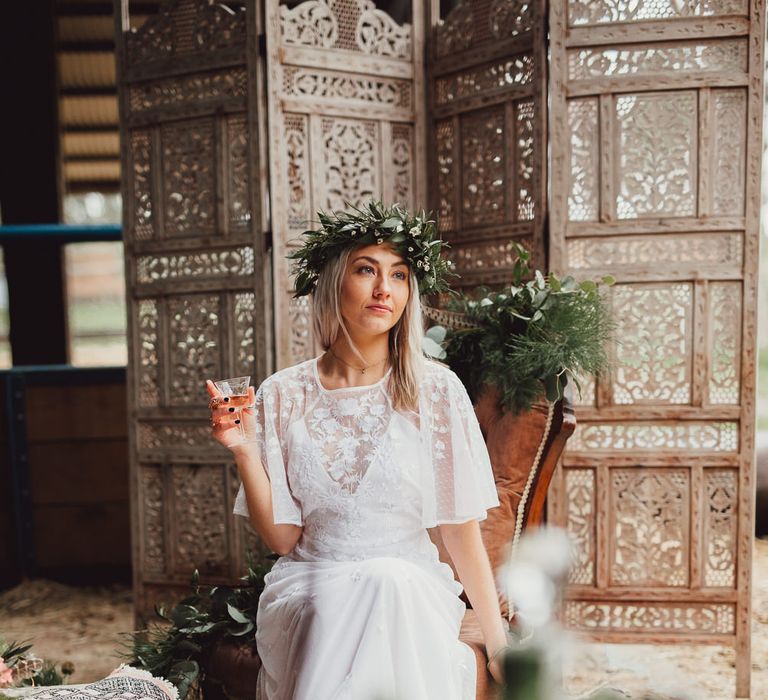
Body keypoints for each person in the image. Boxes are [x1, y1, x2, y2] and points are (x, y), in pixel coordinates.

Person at [206, 201, 510, 699]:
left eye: (400, 275)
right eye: (366, 270)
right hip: (310, 583)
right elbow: (283, 539)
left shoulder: (437, 390)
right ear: (332, 283)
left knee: (386, 580)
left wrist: (497, 645)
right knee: (371, 586)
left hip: (410, 586)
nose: (384, 289)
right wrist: (243, 449)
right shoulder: (282, 394)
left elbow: (458, 530)